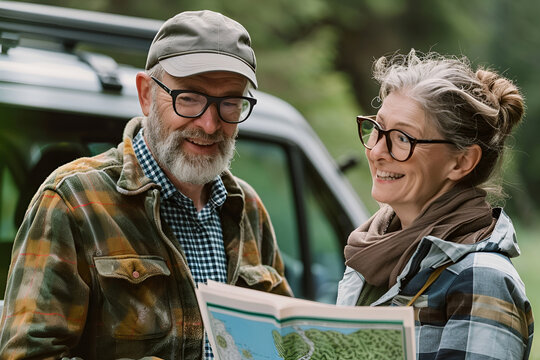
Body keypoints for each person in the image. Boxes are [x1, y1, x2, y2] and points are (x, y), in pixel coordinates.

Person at [0, 10, 292, 360]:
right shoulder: (73, 202)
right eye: (189, 98)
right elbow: (27, 354)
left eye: (230, 102)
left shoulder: (247, 209)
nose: (211, 123)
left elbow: (284, 342)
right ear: (145, 94)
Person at [337, 50, 534, 359]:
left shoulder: (481, 280)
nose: (377, 151)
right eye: (377, 128)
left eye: (402, 138)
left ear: (461, 161)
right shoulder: (373, 252)